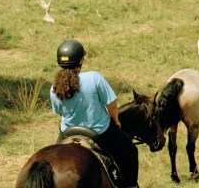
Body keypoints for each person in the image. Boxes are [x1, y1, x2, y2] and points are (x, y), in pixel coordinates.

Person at [50, 39, 139, 188]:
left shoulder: (54, 88)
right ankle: (131, 186)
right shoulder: (94, 78)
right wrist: (116, 121)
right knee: (130, 151)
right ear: (81, 61)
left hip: (68, 132)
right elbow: (111, 105)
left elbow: (59, 112)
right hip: (99, 133)